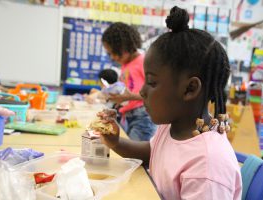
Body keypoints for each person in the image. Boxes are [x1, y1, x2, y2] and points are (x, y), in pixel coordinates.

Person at [97, 6, 242, 200]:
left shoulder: (207, 165)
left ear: (189, 89)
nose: (141, 91)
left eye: (152, 82)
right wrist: (115, 141)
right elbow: (151, 154)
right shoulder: (172, 126)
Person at [101, 22, 156, 141]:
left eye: (114, 53)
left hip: (143, 117)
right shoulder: (125, 65)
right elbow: (126, 91)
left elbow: (155, 94)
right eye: (109, 54)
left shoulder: (143, 61)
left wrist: (129, 97)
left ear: (125, 47)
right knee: (128, 151)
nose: (112, 57)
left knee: (135, 154)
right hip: (128, 115)